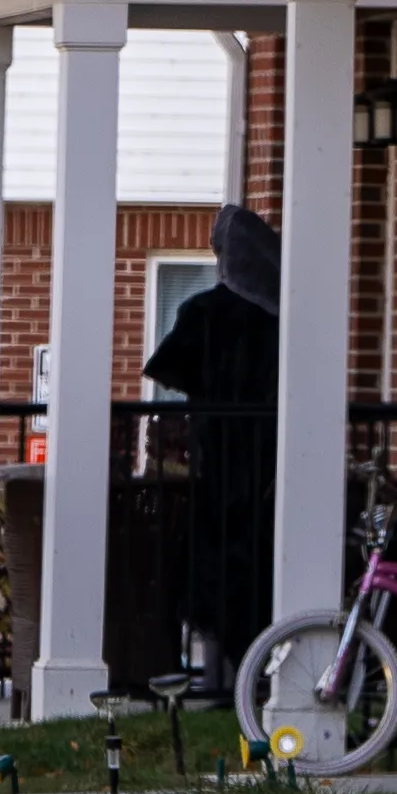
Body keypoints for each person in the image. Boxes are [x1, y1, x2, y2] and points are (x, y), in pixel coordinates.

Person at [141, 202, 280, 681]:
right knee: (254, 559)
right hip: (266, 459)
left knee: (215, 560)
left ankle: (222, 672)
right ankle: (249, 669)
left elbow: (170, 369)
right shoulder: (280, 320)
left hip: (216, 456)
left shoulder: (201, 311)